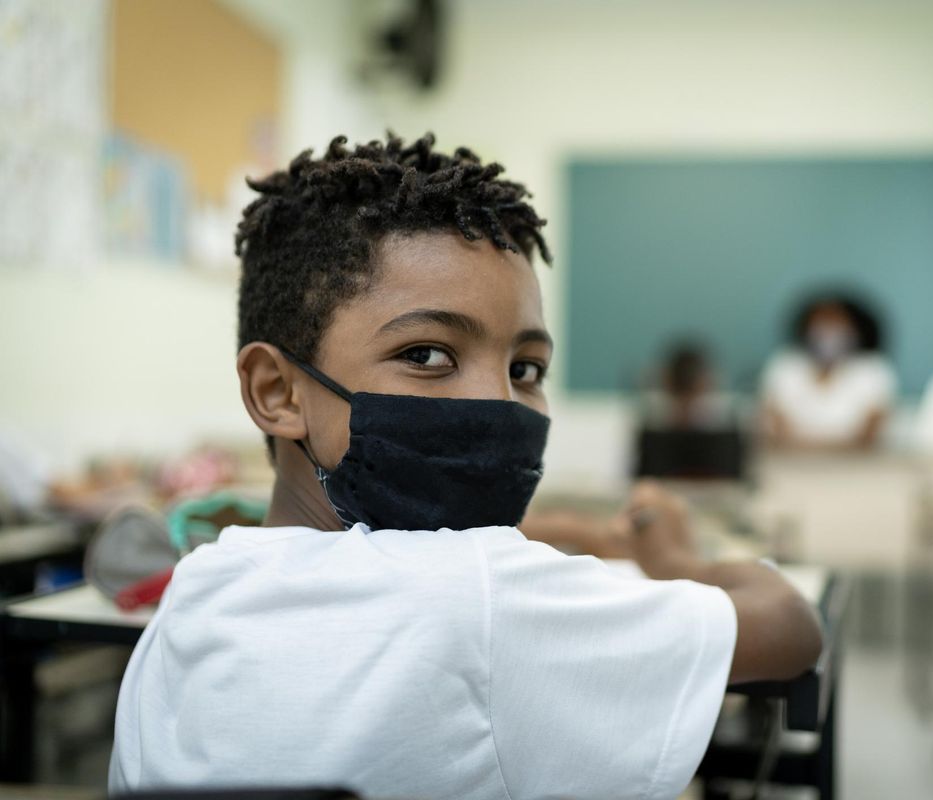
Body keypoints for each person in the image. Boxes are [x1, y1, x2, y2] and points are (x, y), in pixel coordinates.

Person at [109, 134, 822, 799]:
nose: (496, 403)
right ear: (277, 391)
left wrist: (575, 532)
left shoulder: (197, 591)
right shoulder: (482, 596)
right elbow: (790, 626)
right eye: (427, 355)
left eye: (526, 367)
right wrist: (677, 559)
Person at [759, 291, 897, 450]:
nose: (828, 331)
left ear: (854, 329)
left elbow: (871, 431)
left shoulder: (872, 369)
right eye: (822, 322)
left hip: (857, 465)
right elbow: (775, 425)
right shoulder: (785, 365)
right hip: (791, 462)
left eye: (836, 322)